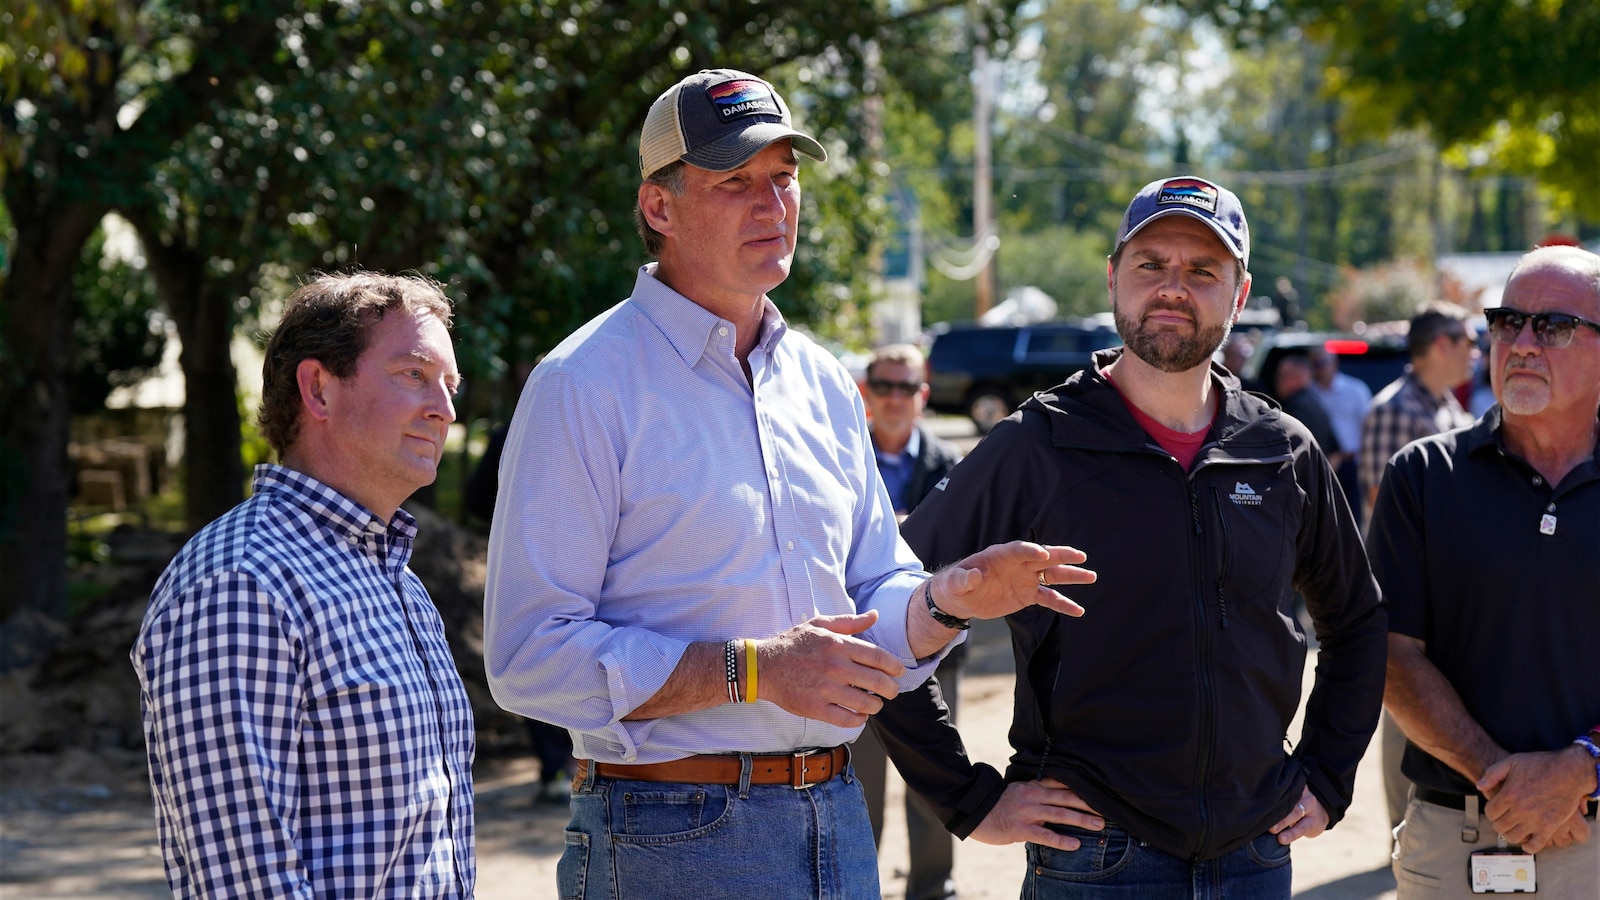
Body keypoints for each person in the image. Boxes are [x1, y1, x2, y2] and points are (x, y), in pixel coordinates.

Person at [481, 67, 1096, 899]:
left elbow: (871, 596)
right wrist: (753, 671)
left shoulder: (822, 382)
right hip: (668, 833)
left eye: (784, 177)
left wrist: (945, 600)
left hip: (836, 815)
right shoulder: (583, 384)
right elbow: (527, 658)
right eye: (735, 182)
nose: (773, 207)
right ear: (658, 208)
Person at [880, 175, 1387, 897]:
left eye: (1203, 270)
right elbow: (883, 607)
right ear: (1114, 278)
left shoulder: (1282, 450)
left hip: (1256, 856)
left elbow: (1359, 621)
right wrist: (969, 798)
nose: (1173, 287)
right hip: (1096, 858)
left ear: (1239, 296)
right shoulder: (1038, 444)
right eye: (1151, 264)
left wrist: (1329, 776)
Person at [130, 272, 475, 897]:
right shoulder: (241, 583)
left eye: (451, 386)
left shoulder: (394, 582)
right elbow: (245, 880)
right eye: (413, 375)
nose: (445, 410)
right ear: (318, 388)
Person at [1368, 244, 1600, 898]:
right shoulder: (1423, 475)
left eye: (1552, 326)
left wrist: (1582, 769)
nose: (1521, 343)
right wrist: (1508, 783)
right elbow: (1389, 654)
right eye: (1505, 322)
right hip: (1456, 839)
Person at [1358, 302, 1477, 831]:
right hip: (1408, 586)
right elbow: (1384, 503)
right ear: (1440, 345)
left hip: (1451, 586)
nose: (1477, 351)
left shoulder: (1448, 406)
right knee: (1404, 701)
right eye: (1468, 340)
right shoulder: (1395, 409)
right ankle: (1404, 829)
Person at [853, 342, 966, 900]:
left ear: (923, 396)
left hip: (938, 651)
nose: (894, 398)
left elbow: (973, 550)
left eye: (906, 387)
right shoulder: (841, 456)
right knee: (859, 784)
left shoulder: (953, 466)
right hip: (858, 650)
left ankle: (933, 888)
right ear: (865, 393)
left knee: (934, 779)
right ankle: (858, 886)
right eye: (884, 386)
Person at [1308, 345, 1370, 520]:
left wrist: (1345, 456)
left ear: (1334, 363)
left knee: (1353, 518)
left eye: (1323, 363)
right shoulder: (1310, 394)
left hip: (1352, 464)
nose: (1320, 368)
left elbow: (1368, 427)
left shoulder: (1355, 390)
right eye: (1315, 364)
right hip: (1319, 464)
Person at [1274, 352, 1342, 460]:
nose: (1277, 381)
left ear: (1299, 377)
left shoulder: (1296, 406)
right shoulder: (1317, 402)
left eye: (1283, 376)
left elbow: (1288, 451)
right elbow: (1335, 453)